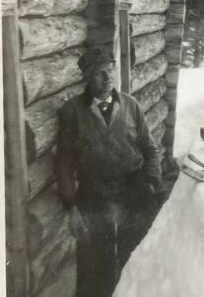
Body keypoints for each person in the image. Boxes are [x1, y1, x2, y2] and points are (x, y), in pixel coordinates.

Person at [56, 48, 162, 297]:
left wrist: (151, 184)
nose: (108, 77)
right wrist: (72, 206)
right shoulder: (72, 111)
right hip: (94, 192)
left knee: (135, 257)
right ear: (88, 78)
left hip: (133, 188)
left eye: (111, 70)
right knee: (95, 266)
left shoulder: (130, 104)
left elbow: (150, 149)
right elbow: (64, 162)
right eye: (100, 73)